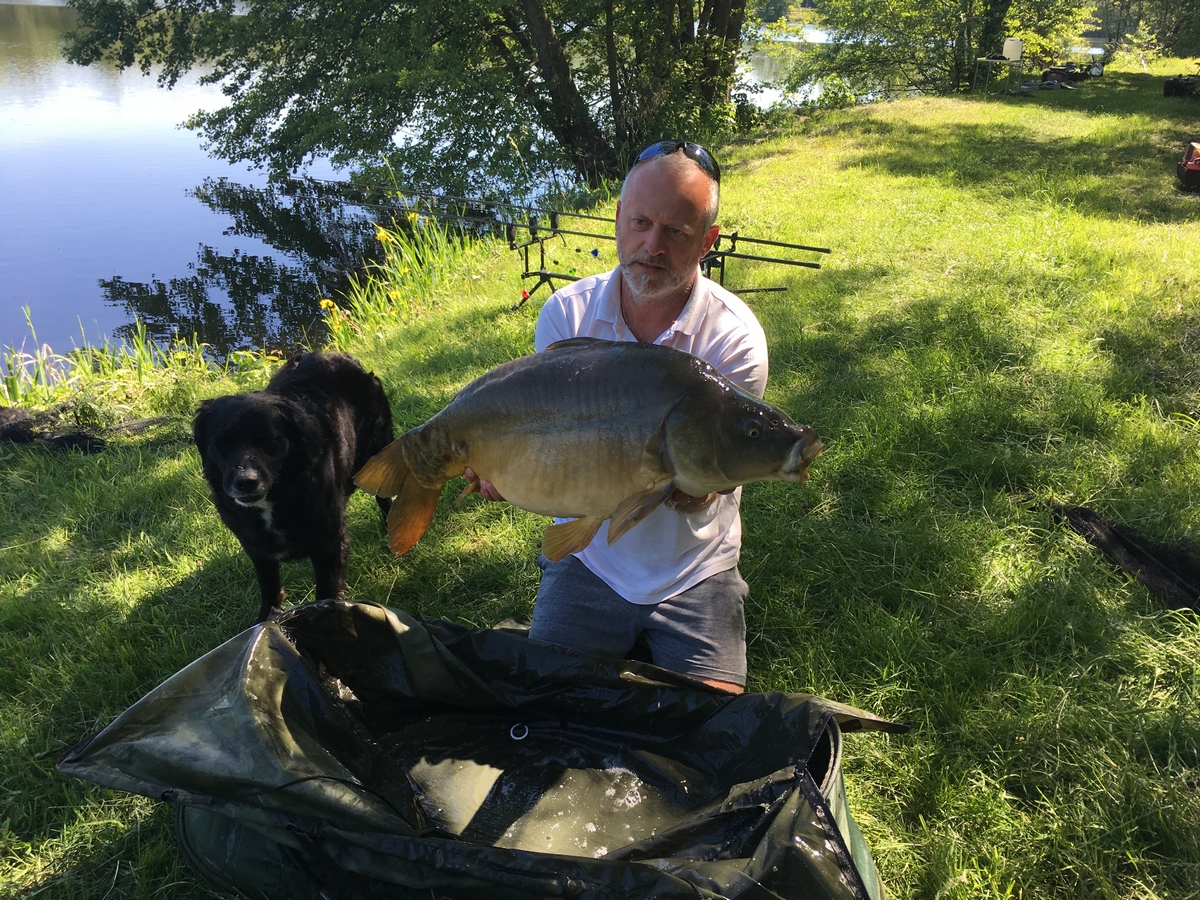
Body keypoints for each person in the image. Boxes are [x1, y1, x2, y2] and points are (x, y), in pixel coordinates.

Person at [470, 140, 768, 693]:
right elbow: (551, 452)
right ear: (617, 220)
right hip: (589, 561)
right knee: (549, 711)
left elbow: (703, 488)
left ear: (708, 242)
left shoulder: (734, 339)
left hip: (693, 566)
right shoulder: (567, 314)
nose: (651, 246)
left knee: (709, 726)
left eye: (676, 232)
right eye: (640, 223)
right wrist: (509, 472)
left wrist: (681, 479)